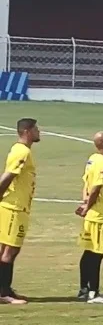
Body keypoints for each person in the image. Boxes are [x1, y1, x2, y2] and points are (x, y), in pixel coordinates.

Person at [0, 118, 40, 305]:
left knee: (4, 250)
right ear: (27, 131)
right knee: (10, 251)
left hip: (15, 206)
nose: (39, 132)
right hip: (15, 208)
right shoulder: (22, 151)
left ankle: (4, 289)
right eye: (36, 129)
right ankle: (3, 293)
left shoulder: (20, 150)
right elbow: (8, 176)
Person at [76, 131, 103, 305]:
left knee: (88, 253)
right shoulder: (102, 162)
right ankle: (94, 292)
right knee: (96, 254)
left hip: (93, 214)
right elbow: (96, 187)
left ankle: (84, 290)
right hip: (100, 214)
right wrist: (88, 205)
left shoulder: (92, 159)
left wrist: (85, 203)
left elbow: (86, 183)